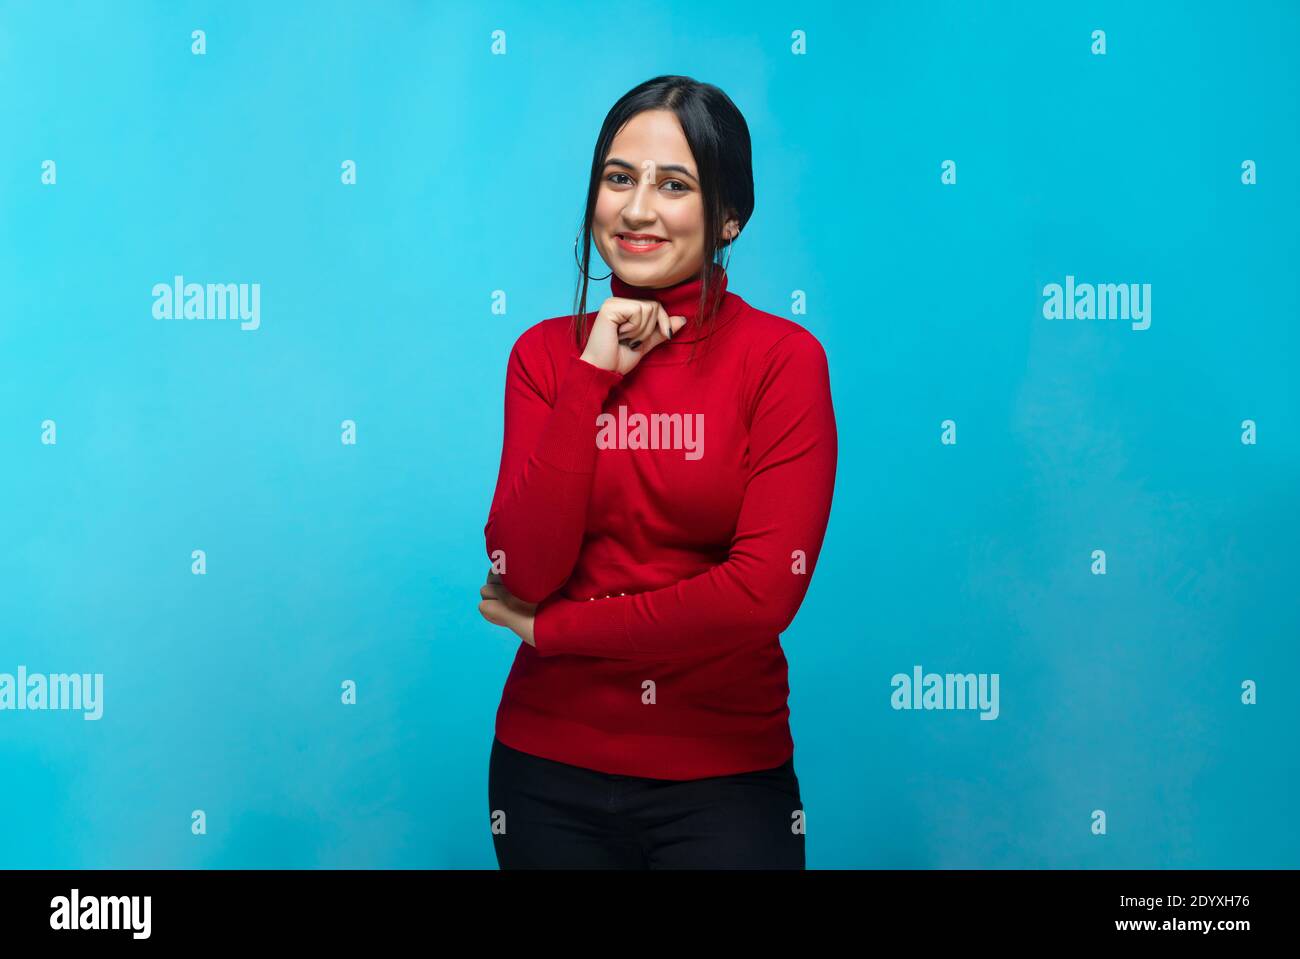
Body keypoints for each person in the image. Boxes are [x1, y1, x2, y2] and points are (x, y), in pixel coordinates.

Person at [478, 74, 837, 869]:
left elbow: (757, 597)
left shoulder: (782, 363)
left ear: (730, 217)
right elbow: (524, 568)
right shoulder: (544, 356)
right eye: (618, 177)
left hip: (723, 778)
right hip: (544, 773)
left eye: (674, 185)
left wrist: (554, 630)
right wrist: (591, 374)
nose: (636, 209)